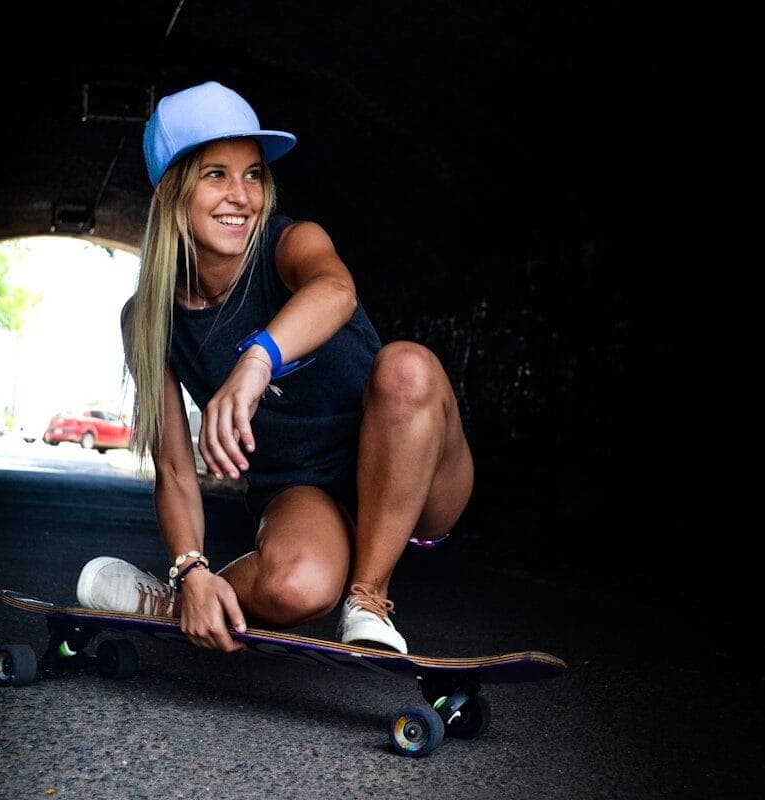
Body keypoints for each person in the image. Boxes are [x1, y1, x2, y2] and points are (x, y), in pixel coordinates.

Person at [76, 80, 474, 654]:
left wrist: (257, 359)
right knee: (296, 584)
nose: (242, 195)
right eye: (216, 174)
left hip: (413, 466)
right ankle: (176, 603)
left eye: (253, 174)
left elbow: (336, 290)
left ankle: (368, 599)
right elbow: (174, 466)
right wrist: (190, 571)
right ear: (170, 192)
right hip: (305, 487)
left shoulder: (291, 244)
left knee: (406, 368)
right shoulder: (148, 318)